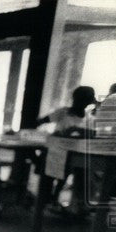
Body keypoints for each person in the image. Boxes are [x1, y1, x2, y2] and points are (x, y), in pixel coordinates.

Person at [37, 85, 100, 215]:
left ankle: (66, 202)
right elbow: (41, 121)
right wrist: (59, 133)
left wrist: (79, 132)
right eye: (82, 99)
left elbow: (93, 135)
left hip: (74, 152)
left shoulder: (88, 118)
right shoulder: (63, 112)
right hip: (55, 149)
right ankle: (46, 202)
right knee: (51, 177)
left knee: (66, 176)